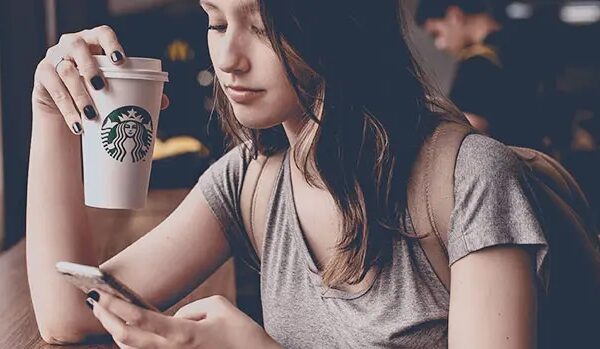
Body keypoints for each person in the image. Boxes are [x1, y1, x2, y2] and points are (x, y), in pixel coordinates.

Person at [27, 0, 548, 347]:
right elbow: (70, 313)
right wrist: (51, 113)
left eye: (262, 27)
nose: (228, 57)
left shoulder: (470, 179)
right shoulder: (250, 179)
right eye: (215, 21)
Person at [416, 0, 544, 149]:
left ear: (455, 16)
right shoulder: (525, 44)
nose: (440, 44)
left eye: (437, 34)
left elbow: (469, 132)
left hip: (505, 165)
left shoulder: (475, 66)